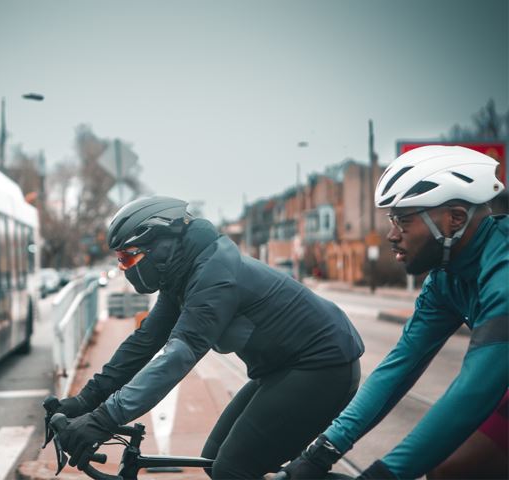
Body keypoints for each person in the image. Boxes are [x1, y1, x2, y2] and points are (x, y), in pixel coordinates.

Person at [54, 196, 365, 479]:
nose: (123, 268)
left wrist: (103, 419)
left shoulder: (214, 277)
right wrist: (85, 400)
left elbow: (176, 358)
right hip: (281, 368)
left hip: (324, 366)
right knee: (214, 462)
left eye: (127, 258)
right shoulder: (180, 275)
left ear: (159, 247)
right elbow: (144, 343)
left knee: (233, 469)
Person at [283, 146, 507, 480]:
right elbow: (399, 366)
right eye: (392, 219)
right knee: (446, 469)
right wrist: (322, 452)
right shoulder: (445, 280)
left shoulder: (503, 273)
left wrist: (384, 474)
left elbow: (475, 389)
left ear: (455, 218)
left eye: (404, 220)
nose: (392, 234)